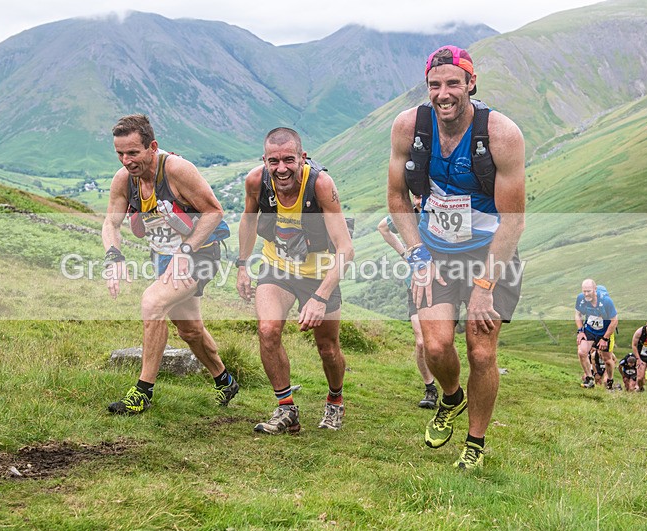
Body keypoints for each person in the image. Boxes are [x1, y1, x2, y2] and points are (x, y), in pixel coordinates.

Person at [387, 45, 526, 470]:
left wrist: (485, 286)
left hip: (489, 254)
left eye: (453, 83)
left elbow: (513, 221)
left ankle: (475, 444)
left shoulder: (501, 134)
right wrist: (417, 257)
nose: (443, 93)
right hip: (436, 251)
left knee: (481, 353)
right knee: (435, 345)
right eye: (435, 85)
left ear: (471, 83)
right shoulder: (409, 127)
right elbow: (397, 197)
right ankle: (451, 397)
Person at [102, 114, 239, 415]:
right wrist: (114, 257)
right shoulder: (124, 179)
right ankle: (225, 381)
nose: (126, 161)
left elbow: (214, 211)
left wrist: (185, 251)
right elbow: (111, 223)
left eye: (133, 153)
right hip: (164, 257)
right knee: (189, 329)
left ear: (152, 147)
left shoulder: (176, 169)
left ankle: (142, 393)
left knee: (152, 303)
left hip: (200, 253)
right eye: (120, 153)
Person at [236, 127, 354, 434]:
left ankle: (335, 399)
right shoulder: (256, 181)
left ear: (302, 157)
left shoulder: (321, 185)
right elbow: (248, 221)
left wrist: (320, 297)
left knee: (327, 348)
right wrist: (242, 265)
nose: (281, 168)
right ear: (264, 160)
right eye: (273, 161)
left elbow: (346, 249)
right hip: (277, 268)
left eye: (289, 160)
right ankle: (286, 408)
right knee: (267, 330)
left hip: (319, 273)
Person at [377, 197, 440, 409]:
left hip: (445, 283)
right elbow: (383, 227)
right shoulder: (409, 213)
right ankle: (430, 388)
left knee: (441, 341)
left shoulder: (441, 209)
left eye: (422, 196)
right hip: (416, 283)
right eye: (416, 196)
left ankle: (452, 387)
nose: (419, 201)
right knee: (421, 341)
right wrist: (406, 255)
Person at [575, 280, 618, 389]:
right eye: (584, 291)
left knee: (607, 359)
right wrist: (580, 331)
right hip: (590, 329)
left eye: (588, 291)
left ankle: (610, 380)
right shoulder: (581, 299)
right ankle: (589, 379)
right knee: (582, 352)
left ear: (595, 289)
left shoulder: (606, 301)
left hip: (605, 331)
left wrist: (605, 338)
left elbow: (614, 321)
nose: (586, 294)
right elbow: (577, 314)